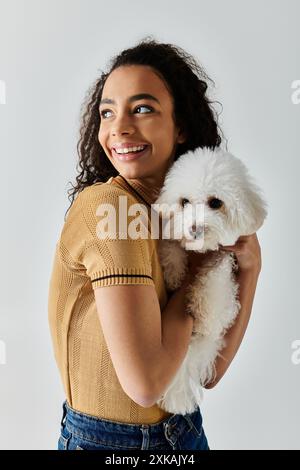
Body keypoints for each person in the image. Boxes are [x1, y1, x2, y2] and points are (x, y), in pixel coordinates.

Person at [48, 37, 262, 451]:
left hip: (183, 431)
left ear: (180, 126)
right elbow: (146, 385)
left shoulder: (177, 220)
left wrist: (251, 268)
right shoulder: (112, 209)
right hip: (111, 444)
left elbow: (208, 373)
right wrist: (201, 272)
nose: (119, 127)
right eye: (107, 112)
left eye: (142, 109)